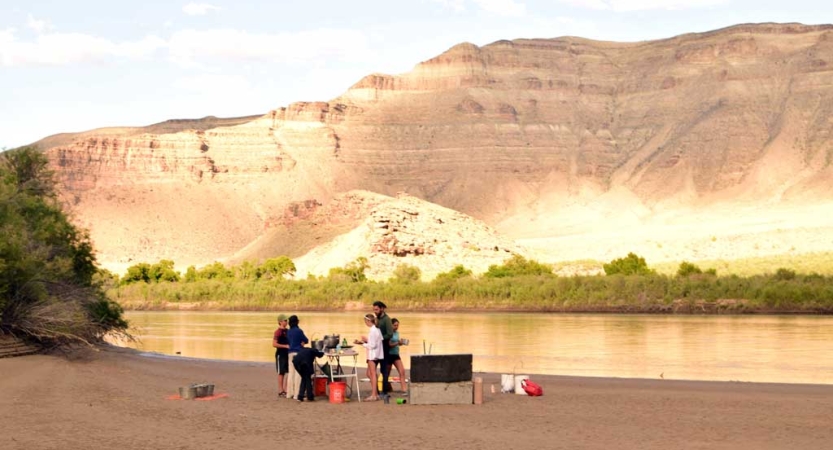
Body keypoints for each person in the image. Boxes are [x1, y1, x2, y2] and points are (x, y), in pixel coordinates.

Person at [354, 313, 383, 401]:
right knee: (369, 373)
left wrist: (362, 343)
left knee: (372, 374)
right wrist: (366, 341)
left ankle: (374, 394)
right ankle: (376, 393)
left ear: (368, 321)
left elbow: (372, 345)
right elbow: (378, 340)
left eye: (365, 321)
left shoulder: (373, 331)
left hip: (373, 355)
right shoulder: (377, 329)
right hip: (377, 354)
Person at [286, 315, 308, 400]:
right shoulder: (299, 331)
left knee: (291, 373)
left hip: (290, 353)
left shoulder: (288, 332)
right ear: (297, 322)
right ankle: (297, 394)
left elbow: (289, 341)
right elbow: (306, 340)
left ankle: (289, 393)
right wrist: (302, 342)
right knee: (298, 373)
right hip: (298, 353)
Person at [373, 300, 394, 394]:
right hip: (376, 347)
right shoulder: (376, 318)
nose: (375, 311)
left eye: (376, 309)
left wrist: (380, 339)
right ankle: (376, 390)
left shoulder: (387, 319)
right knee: (372, 369)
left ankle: (384, 391)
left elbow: (390, 334)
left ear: (382, 309)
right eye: (374, 309)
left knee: (384, 370)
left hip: (384, 347)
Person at [271, 314, 290, 398]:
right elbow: (274, 344)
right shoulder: (277, 332)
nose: (286, 322)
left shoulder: (288, 331)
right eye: (285, 320)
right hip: (280, 354)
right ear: (280, 322)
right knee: (281, 372)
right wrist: (285, 346)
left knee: (288, 372)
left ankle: (286, 389)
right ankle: (280, 390)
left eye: (286, 320)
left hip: (287, 354)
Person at [389, 318, 409, 393]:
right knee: (386, 373)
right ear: (391, 325)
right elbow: (389, 345)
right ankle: (388, 388)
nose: (396, 327)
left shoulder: (397, 333)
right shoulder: (389, 333)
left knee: (402, 371)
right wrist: (397, 343)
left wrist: (400, 343)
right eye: (395, 325)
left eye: (397, 325)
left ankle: (404, 389)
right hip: (389, 354)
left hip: (396, 354)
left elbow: (395, 343)